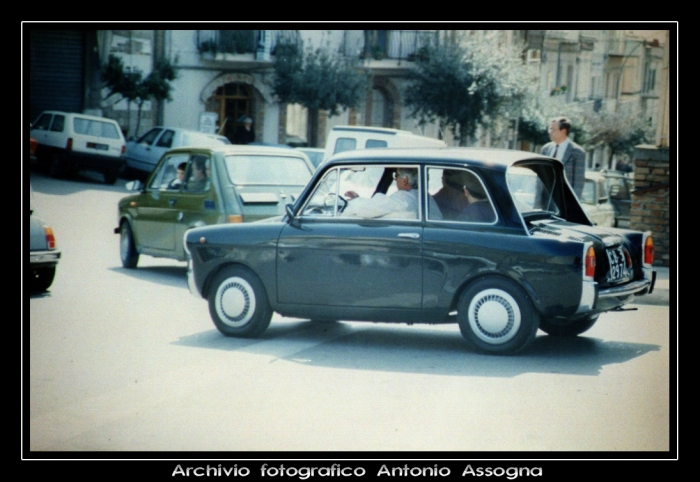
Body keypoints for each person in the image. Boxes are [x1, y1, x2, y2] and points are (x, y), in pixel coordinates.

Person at [342, 168, 420, 219]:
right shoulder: (420, 196)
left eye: (396, 175)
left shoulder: (403, 198)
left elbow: (368, 209)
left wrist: (354, 201)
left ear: (405, 180)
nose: (395, 179)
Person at [541, 117, 586, 198]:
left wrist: (573, 207)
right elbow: (540, 177)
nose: (549, 132)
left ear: (563, 131)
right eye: (549, 129)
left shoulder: (576, 152)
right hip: (546, 200)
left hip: (564, 200)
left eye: (553, 129)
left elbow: (578, 183)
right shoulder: (546, 149)